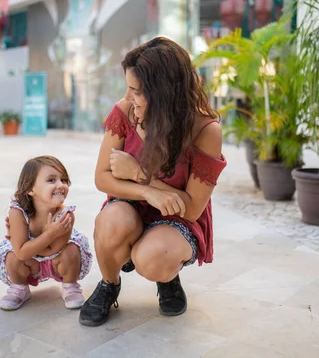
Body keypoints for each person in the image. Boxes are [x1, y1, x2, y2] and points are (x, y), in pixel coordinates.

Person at [79, 37, 227, 327]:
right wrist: (146, 190)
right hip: (130, 205)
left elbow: (192, 208)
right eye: (128, 88)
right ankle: (110, 284)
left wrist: (138, 173)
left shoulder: (205, 130)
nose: (129, 97)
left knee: (150, 258)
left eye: (137, 91)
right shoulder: (125, 112)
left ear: (163, 94)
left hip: (179, 218)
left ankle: (167, 276)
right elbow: (102, 178)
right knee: (111, 223)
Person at [0, 156, 93, 311]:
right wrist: (49, 234)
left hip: (55, 260)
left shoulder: (66, 215)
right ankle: (20, 288)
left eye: (64, 180)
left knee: (71, 250)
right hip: (28, 262)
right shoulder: (18, 212)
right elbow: (21, 253)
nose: (60, 185)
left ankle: (70, 287)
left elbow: (54, 250)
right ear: (30, 189)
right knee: (13, 256)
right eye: (51, 180)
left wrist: (28, 244)